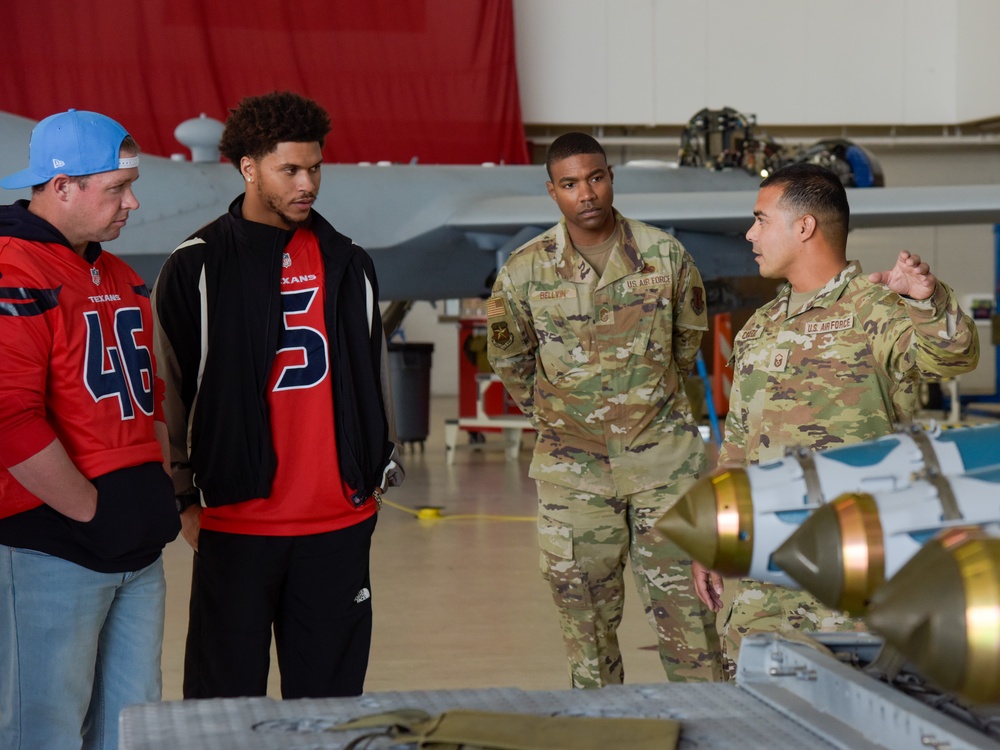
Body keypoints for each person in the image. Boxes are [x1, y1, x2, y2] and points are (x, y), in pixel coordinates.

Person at [152, 91, 403, 700]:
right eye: (289, 169)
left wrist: (374, 475)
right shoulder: (195, 266)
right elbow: (169, 394)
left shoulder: (349, 263)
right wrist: (183, 498)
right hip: (236, 525)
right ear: (248, 168)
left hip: (338, 524)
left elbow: (374, 377)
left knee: (329, 710)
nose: (307, 183)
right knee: (223, 709)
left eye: (314, 167)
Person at [692, 162, 980, 675]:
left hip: (850, 583)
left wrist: (928, 301)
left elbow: (952, 356)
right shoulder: (760, 326)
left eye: (761, 219)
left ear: (804, 227)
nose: (749, 233)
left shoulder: (877, 308)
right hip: (767, 581)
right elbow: (737, 444)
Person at [486, 132, 723, 688]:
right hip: (574, 477)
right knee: (586, 635)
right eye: (569, 184)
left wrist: (644, 402)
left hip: (665, 468)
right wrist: (559, 416)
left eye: (595, 178)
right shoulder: (525, 271)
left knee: (692, 629)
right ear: (552, 191)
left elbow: (686, 343)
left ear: (611, 177)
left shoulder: (664, 256)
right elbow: (511, 357)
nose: (585, 193)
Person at [0, 110, 180, 750]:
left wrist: (158, 498)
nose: (133, 203)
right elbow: (10, 420)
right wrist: (93, 515)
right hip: (55, 547)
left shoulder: (120, 274)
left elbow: (148, 402)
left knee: (134, 733)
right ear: (62, 186)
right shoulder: (14, 269)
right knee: (42, 732)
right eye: (116, 188)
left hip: (138, 547)